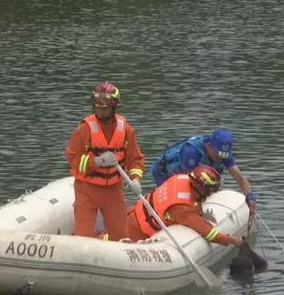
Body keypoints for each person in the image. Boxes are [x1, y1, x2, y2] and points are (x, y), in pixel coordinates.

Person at [65, 81, 145, 241]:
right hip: (86, 189)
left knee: (121, 236)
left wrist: (136, 179)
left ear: (114, 107)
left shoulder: (126, 130)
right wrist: (96, 161)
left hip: (114, 191)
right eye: (97, 108)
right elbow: (72, 157)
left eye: (104, 108)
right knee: (83, 237)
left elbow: (135, 159)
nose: (100, 112)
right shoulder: (84, 129)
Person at [127, 164, 245, 246]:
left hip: (131, 214)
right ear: (199, 187)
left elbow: (195, 200)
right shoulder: (183, 209)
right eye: (209, 190)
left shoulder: (180, 178)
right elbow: (210, 235)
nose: (209, 193)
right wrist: (234, 241)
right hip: (137, 232)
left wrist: (201, 214)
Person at [149, 128, 258, 218]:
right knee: (176, 203)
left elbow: (240, 178)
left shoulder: (222, 153)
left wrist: (250, 196)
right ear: (209, 146)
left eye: (224, 155)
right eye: (218, 154)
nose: (220, 157)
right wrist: (201, 215)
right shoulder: (191, 151)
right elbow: (189, 185)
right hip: (165, 173)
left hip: (194, 172)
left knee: (211, 184)